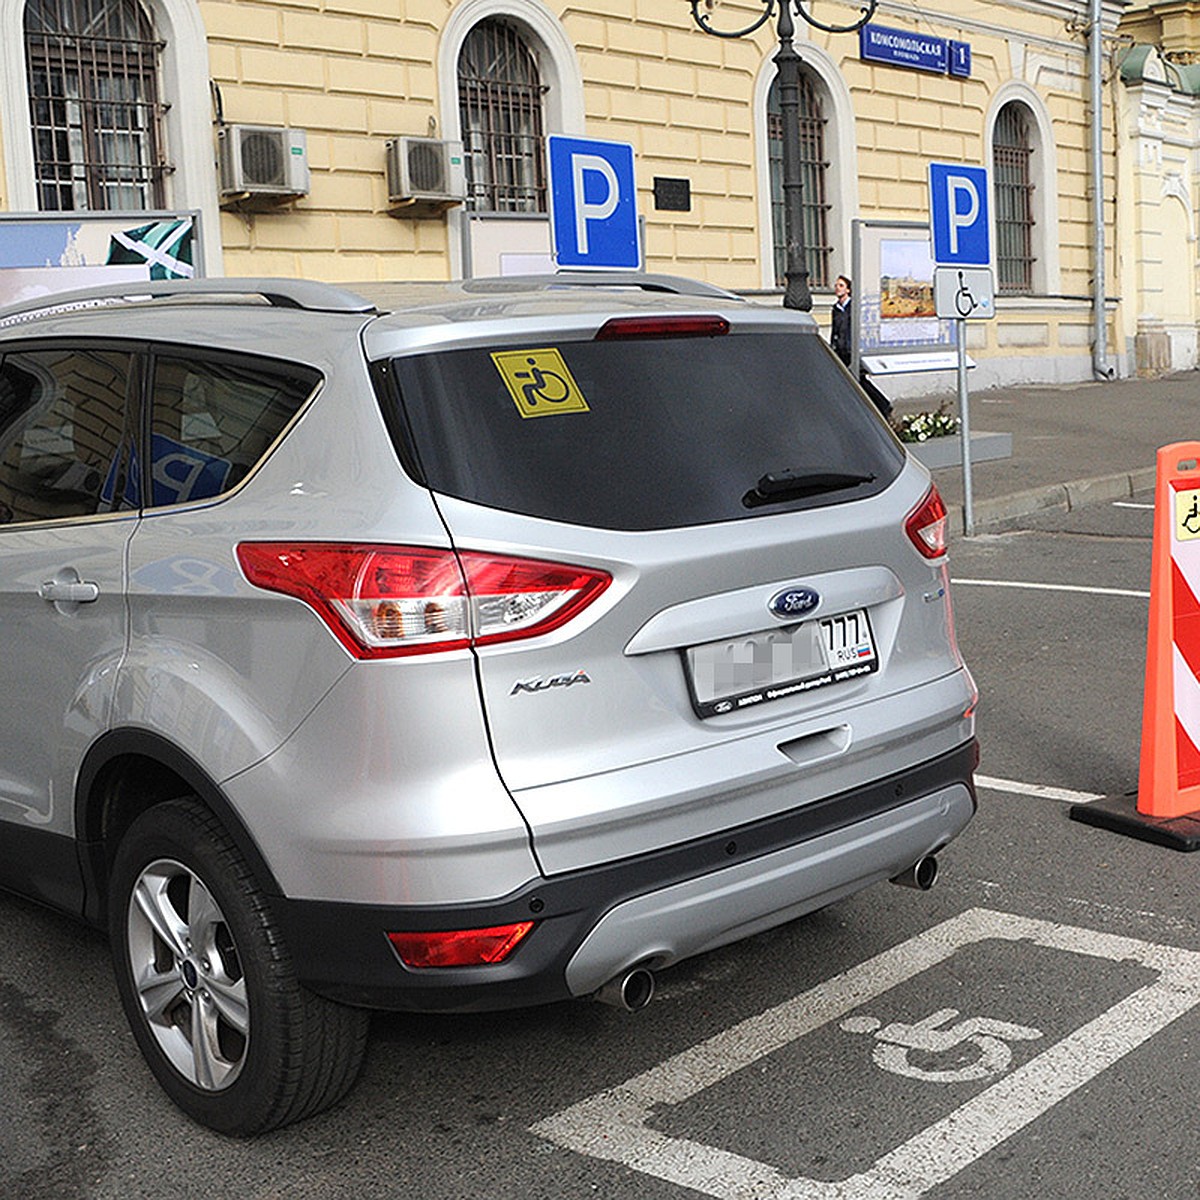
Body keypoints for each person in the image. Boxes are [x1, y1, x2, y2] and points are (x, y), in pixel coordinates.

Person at [827, 274, 892, 420]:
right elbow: (835, 330)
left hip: (852, 350)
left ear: (848, 290)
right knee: (849, 381)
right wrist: (833, 347)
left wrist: (857, 347)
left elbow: (858, 328)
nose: (837, 288)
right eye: (836, 285)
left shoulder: (853, 307)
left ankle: (883, 404)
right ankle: (866, 409)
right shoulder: (836, 309)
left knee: (860, 379)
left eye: (841, 286)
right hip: (841, 351)